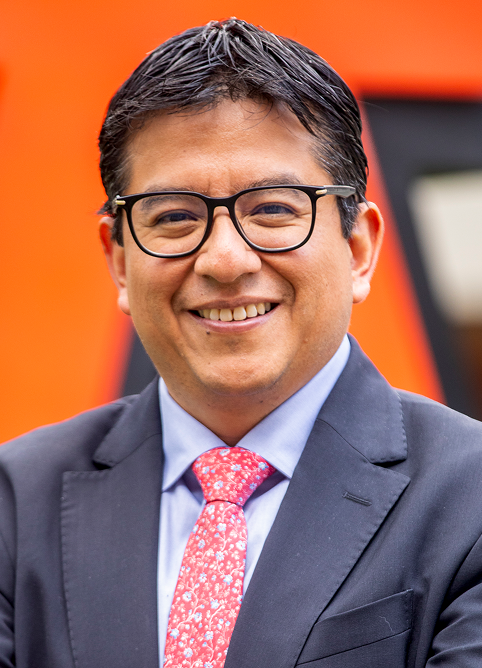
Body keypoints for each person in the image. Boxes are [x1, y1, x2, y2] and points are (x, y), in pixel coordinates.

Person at [1, 18, 482, 668]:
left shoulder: (469, 497)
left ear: (358, 248)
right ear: (118, 260)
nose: (225, 260)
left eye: (274, 209)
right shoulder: (15, 502)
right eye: (175, 216)